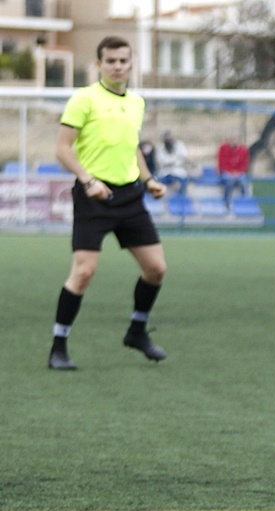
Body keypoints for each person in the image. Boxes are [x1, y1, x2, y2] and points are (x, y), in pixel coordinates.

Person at [47, 36, 169, 371]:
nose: (117, 66)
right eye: (111, 61)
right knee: (84, 272)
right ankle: (59, 346)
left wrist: (149, 180)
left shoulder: (136, 103)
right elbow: (63, 149)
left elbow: (130, 149)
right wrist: (89, 181)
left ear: (131, 64)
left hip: (130, 197)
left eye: (123, 61)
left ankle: (137, 331)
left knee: (156, 269)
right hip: (93, 199)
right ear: (98, 64)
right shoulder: (83, 99)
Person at [217, 135, 250, 210]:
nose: (233, 142)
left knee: (243, 181)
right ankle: (227, 202)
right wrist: (230, 172)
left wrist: (237, 172)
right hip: (226, 173)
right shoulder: (223, 148)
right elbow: (222, 164)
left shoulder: (243, 150)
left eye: (235, 140)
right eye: (232, 139)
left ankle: (244, 203)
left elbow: (244, 164)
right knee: (229, 181)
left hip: (239, 173)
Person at [155, 129, 190, 194]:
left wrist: (173, 161)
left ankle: (181, 194)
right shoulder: (160, 147)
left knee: (183, 179)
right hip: (165, 171)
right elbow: (160, 160)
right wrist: (172, 161)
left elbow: (184, 156)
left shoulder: (179, 145)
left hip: (178, 169)